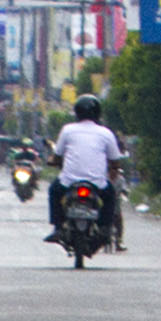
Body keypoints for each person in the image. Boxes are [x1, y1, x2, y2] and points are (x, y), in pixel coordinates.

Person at [49, 96, 126, 247]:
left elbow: (57, 156)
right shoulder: (106, 133)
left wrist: (53, 162)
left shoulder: (67, 130)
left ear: (77, 112)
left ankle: (57, 227)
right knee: (110, 197)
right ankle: (104, 227)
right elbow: (115, 161)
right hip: (97, 183)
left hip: (69, 182)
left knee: (53, 191)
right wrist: (112, 172)